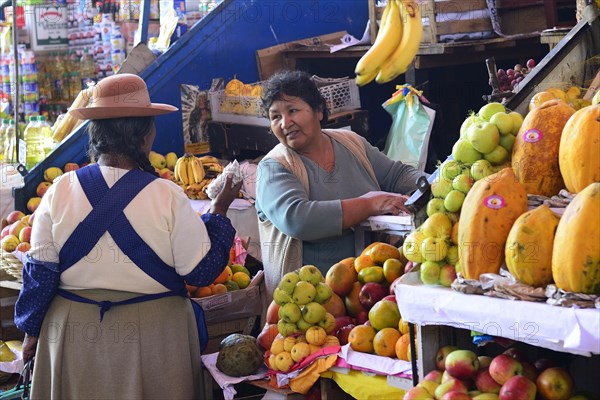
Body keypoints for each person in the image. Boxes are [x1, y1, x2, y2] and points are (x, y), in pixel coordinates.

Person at [14, 73, 242, 399]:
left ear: (95, 133)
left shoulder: (59, 191)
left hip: (73, 337)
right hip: (155, 338)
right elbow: (201, 271)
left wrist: (31, 332)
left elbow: (40, 274)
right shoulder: (168, 195)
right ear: (145, 137)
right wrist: (219, 208)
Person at [256, 70, 424, 297]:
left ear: (318, 111)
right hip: (310, 302)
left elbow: (396, 174)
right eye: (275, 117)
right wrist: (369, 204)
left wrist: (433, 183)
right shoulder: (274, 167)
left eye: (293, 110)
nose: (285, 123)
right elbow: (298, 219)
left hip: (370, 292)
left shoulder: (351, 143)